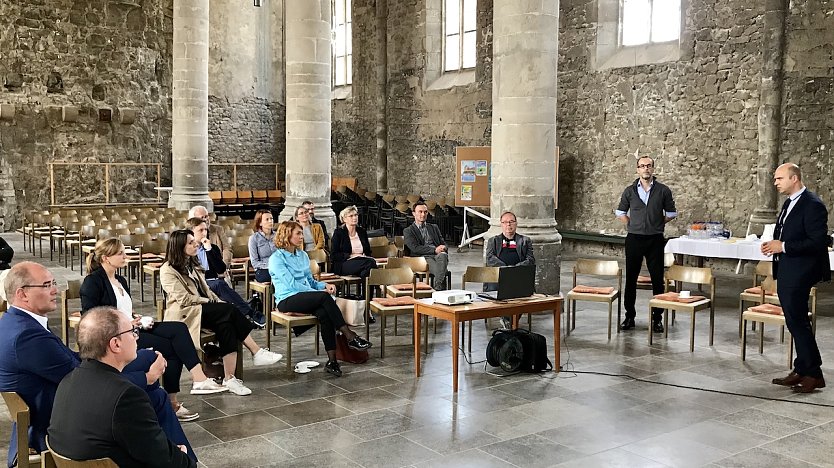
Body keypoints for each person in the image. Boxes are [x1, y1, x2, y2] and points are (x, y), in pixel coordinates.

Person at [0, 262, 194, 466]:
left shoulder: (15, 323)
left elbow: (72, 364)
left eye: (53, 283)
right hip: (60, 414)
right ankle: (179, 458)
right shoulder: (27, 336)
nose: (55, 289)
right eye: (47, 285)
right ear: (22, 294)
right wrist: (146, 378)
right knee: (153, 392)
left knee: (147, 364)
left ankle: (171, 451)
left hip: (60, 397)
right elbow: (81, 379)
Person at [80, 238, 228, 423]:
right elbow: (91, 317)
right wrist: (125, 323)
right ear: (106, 258)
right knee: (170, 347)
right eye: (120, 253)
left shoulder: (120, 279)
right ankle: (173, 402)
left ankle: (198, 380)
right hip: (118, 336)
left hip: (133, 327)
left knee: (178, 329)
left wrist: (137, 318)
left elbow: (123, 309)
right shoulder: (92, 282)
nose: (125, 256)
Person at [48, 307, 195, 468]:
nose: (136, 338)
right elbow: (164, 460)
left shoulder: (68, 381)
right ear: (115, 344)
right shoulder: (126, 396)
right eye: (132, 332)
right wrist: (183, 457)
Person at [160, 230, 283, 396]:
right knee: (229, 310)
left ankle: (229, 379)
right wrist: (211, 302)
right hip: (186, 314)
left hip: (204, 310)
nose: (196, 244)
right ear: (178, 246)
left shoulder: (191, 264)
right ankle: (256, 351)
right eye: (190, 242)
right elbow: (184, 299)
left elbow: (208, 290)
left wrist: (216, 301)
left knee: (227, 324)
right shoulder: (167, 270)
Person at [269, 221, 372, 377]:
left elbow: (310, 282)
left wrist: (324, 284)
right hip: (287, 299)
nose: (301, 236)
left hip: (308, 296)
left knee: (325, 314)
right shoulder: (276, 258)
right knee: (324, 298)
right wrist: (320, 292)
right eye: (298, 233)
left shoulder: (303, 255)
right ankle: (349, 335)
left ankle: (332, 361)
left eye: (302, 233)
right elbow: (292, 285)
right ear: (286, 235)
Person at [762, 163, 830, 393]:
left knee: (798, 322)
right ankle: (803, 369)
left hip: (801, 271)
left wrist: (783, 246)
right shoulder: (790, 202)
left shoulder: (812, 205)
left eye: (779, 178)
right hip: (789, 269)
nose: (775, 183)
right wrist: (774, 246)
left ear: (794, 178)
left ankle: (814, 373)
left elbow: (818, 242)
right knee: (795, 321)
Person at [615, 156, 677, 333]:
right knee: (631, 279)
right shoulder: (630, 191)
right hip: (634, 238)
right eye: (642, 166)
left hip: (655, 239)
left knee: (657, 279)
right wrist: (632, 224)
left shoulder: (663, 191)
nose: (646, 169)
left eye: (649, 166)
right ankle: (629, 316)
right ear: (637, 170)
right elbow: (620, 212)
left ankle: (657, 318)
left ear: (653, 169)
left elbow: (671, 213)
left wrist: (657, 223)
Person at [187, 218, 266, 328]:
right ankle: (250, 313)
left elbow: (220, 269)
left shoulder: (212, 247)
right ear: (191, 232)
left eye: (205, 230)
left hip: (212, 281)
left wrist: (209, 250)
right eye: (201, 230)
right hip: (197, 284)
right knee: (220, 284)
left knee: (221, 285)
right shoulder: (187, 250)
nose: (204, 233)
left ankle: (244, 317)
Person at [485, 211, 535, 328]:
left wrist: (515, 269)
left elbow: (530, 259)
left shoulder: (525, 241)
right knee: (500, 290)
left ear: (516, 223)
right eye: (505, 222)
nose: (508, 225)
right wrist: (506, 269)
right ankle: (507, 319)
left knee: (523, 291)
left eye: (511, 222)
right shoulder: (493, 241)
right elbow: (490, 259)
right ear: (501, 224)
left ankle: (511, 320)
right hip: (499, 275)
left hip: (518, 275)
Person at [403, 201, 449, 290]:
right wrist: (434, 250)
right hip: (422, 258)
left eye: (425, 212)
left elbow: (443, 243)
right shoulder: (408, 231)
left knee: (443, 255)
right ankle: (439, 289)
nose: (423, 214)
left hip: (438, 255)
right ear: (414, 214)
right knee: (442, 270)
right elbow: (415, 248)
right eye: (420, 212)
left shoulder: (434, 227)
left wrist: (443, 247)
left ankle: (438, 285)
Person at [330, 205, 377, 287]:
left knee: (368, 270)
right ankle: (369, 295)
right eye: (351, 216)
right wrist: (350, 255)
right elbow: (334, 255)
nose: (354, 218)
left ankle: (365, 296)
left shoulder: (362, 231)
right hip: (344, 263)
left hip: (362, 262)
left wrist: (365, 256)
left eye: (356, 215)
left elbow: (368, 251)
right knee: (371, 264)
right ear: (344, 219)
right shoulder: (339, 233)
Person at [248, 209, 277, 283]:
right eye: (267, 219)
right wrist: (270, 266)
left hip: (279, 267)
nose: (270, 221)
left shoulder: (278, 236)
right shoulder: (254, 238)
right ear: (260, 223)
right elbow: (254, 262)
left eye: (271, 219)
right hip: (263, 269)